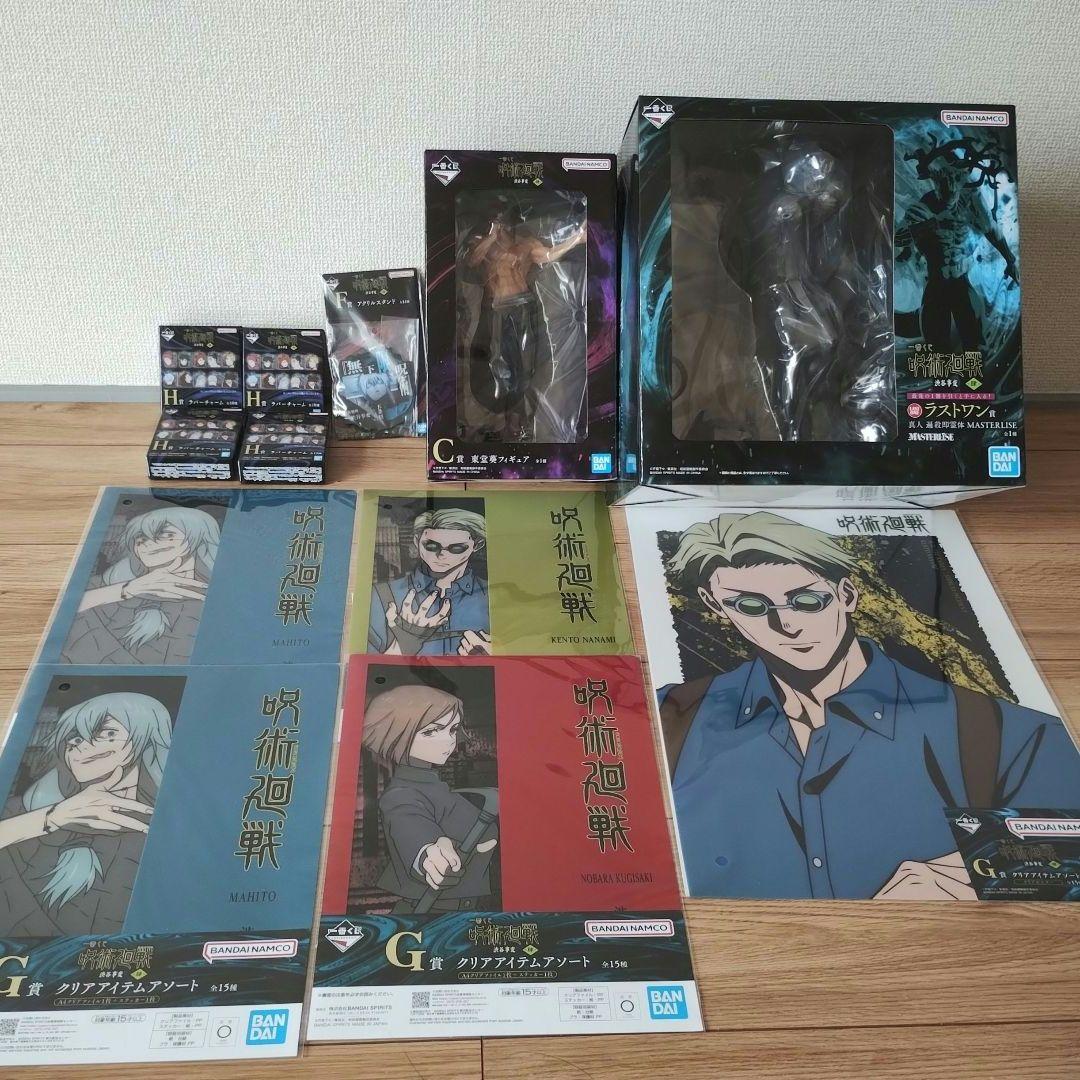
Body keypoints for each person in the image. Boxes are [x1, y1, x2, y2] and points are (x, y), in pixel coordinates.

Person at [660, 511, 1080, 900]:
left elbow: (1067, 860)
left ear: (845, 593)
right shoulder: (669, 719)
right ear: (715, 605)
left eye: (807, 601)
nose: (786, 625)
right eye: (751, 606)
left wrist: (983, 876)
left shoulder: (1005, 734)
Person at [0, 691, 170, 937]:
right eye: (75, 738)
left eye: (108, 734)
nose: (82, 746)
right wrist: (52, 818)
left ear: (146, 741)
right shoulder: (25, 809)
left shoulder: (170, 819)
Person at [362, 683, 497, 912]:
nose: (447, 740)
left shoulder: (434, 785)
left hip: (462, 911)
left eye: (452, 730)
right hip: (432, 913)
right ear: (398, 733)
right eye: (431, 731)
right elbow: (409, 824)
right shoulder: (402, 794)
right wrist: (428, 853)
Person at [61, 505, 218, 664]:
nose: (148, 543)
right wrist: (127, 590)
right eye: (141, 539)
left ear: (197, 538)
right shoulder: (109, 583)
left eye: (167, 535)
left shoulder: (215, 597)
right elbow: (65, 614)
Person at [368, 507, 490, 657]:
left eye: (456, 548)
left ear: (477, 545)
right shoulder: (380, 595)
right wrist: (406, 642)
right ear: (417, 541)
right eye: (432, 546)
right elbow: (368, 668)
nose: (441, 555)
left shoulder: (492, 596)